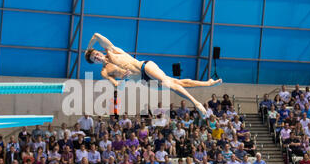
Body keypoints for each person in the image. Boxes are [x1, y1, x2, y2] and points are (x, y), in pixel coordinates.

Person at [85, 33, 222, 118]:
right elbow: (117, 87)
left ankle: (197, 103)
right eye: (94, 59)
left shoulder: (112, 51)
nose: (97, 57)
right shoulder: (105, 72)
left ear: (99, 51)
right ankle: (208, 83)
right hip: (143, 81)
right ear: (94, 63)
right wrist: (123, 80)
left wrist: (87, 49)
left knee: (170, 84)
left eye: (96, 54)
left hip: (145, 67)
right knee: (176, 83)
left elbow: (96, 35)